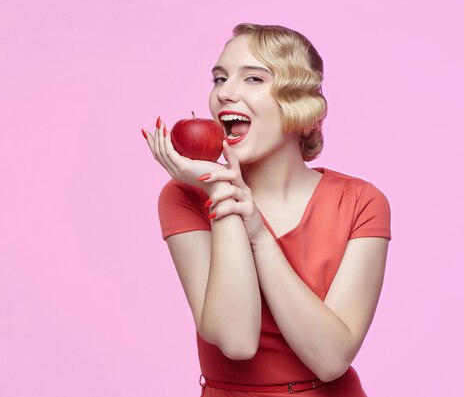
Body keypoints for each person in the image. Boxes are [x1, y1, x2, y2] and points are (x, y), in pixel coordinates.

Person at [142, 23, 391, 396]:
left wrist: (259, 234)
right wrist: (221, 190)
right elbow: (236, 339)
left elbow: (330, 358)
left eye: (253, 79)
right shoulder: (185, 197)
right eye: (219, 79)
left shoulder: (361, 202)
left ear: (297, 100)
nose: (225, 93)